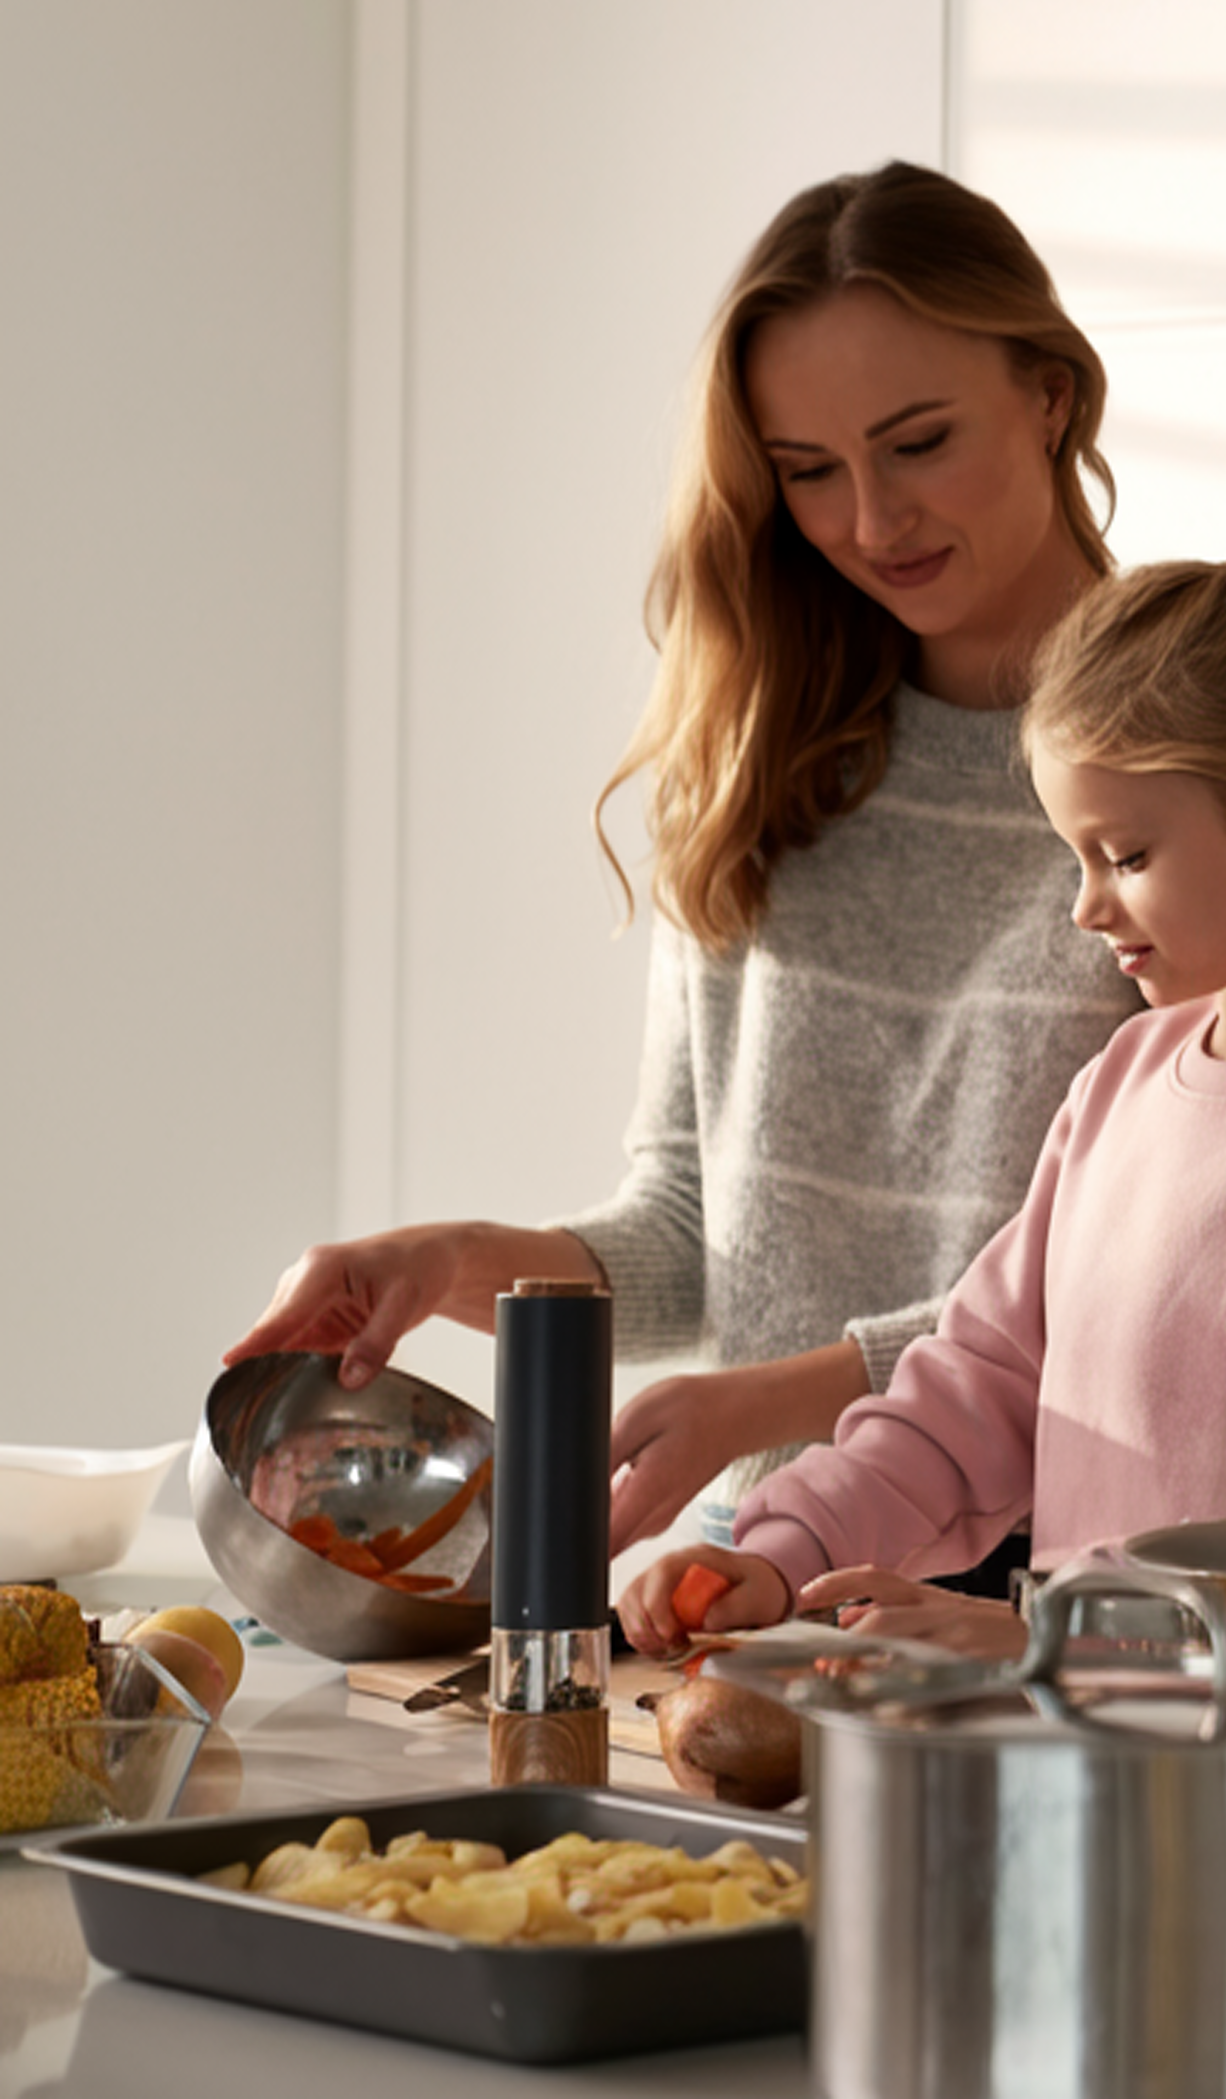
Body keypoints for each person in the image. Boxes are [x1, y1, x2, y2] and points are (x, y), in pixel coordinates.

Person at [229, 164, 1147, 1564]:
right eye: (809, 472)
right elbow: (693, 1229)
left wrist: (773, 1399)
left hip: (1051, 1589)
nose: (871, 522)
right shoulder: (771, 761)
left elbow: (1168, 1269)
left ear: (1053, 393)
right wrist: (447, 1261)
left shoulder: (1198, 746)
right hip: (756, 1579)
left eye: (918, 441)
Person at [619, 504, 1226, 1663]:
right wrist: (786, 1544)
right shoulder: (1131, 1078)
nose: (1085, 906)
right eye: (1075, 855)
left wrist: (1038, 1635)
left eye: (1127, 855)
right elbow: (981, 1382)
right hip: (1120, 1776)